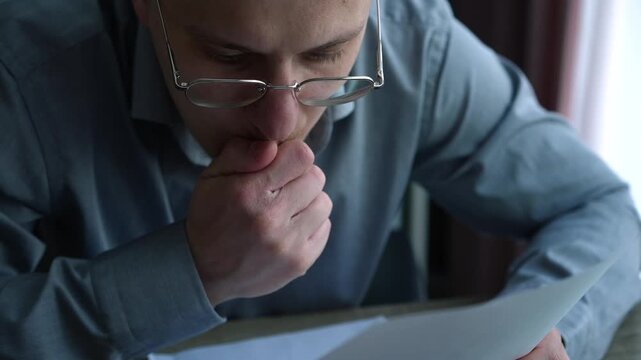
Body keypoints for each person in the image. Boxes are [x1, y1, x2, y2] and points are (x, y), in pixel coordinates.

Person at [0, 0, 639, 358]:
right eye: (229, 58)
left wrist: (555, 334)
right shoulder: (25, 77)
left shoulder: (419, 46)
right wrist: (193, 271)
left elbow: (604, 208)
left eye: (328, 54)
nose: (282, 119)